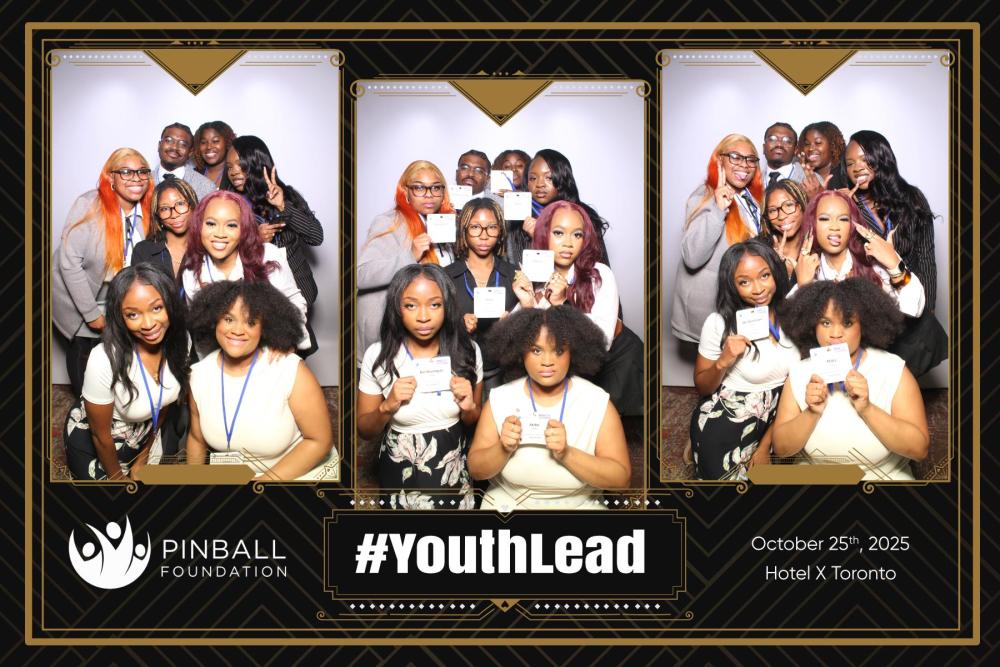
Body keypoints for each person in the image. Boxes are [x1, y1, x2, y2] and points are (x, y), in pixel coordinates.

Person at [468, 306, 630, 510]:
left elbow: (621, 479)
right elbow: (475, 470)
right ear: (520, 351)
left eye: (559, 350)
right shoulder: (500, 399)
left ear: (573, 352)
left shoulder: (597, 402)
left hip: (578, 506)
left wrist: (567, 454)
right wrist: (502, 448)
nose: (547, 362)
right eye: (536, 350)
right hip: (508, 505)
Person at [772, 279, 929, 479]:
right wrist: (811, 412)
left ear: (864, 324)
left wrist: (867, 408)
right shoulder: (799, 373)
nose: (835, 334)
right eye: (826, 323)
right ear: (813, 326)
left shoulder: (893, 369)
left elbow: (919, 449)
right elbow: (781, 449)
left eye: (847, 323)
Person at [356, 264, 483, 509]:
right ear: (397, 308)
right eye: (411, 305)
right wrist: (387, 406)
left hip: (452, 465)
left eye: (434, 305)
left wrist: (469, 408)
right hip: (399, 468)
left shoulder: (467, 351)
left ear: (447, 306)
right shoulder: (379, 355)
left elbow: (474, 422)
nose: (423, 316)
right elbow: (365, 430)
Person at [186, 281, 336, 480]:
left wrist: (261, 484)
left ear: (264, 327)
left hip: (293, 476)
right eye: (229, 319)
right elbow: (197, 439)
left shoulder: (289, 369)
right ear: (214, 321)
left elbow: (319, 441)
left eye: (250, 322)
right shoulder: (199, 375)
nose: (238, 330)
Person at [512, 200, 643, 416]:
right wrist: (526, 306)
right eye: (558, 233)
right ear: (544, 234)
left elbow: (602, 342)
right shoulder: (535, 276)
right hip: (569, 366)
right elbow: (512, 342)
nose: (568, 243)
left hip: (616, 362)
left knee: (611, 425)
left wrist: (562, 305)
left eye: (577, 235)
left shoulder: (599, 274)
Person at [832, 129, 946, 376]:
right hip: (871, 308)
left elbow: (926, 255)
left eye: (864, 159)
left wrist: (928, 304)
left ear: (881, 157)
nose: (857, 168)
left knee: (907, 374)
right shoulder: (846, 204)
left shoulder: (912, 198)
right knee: (876, 376)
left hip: (908, 299)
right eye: (850, 163)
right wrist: (839, 209)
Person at [63, 264, 189, 479]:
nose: (148, 324)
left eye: (157, 308)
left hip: (142, 433)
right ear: (120, 317)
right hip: (101, 442)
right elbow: (100, 436)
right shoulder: (103, 359)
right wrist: (118, 479)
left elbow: (162, 403)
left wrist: (143, 458)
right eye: (133, 314)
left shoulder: (182, 341)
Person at [689, 239, 798, 480]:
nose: (758, 289)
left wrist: (765, 446)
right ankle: (698, 446)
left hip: (780, 417)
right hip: (727, 422)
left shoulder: (794, 316)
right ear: (732, 286)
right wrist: (723, 361)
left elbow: (797, 386)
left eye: (764, 275)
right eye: (744, 282)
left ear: (776, 273)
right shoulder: (718, 323)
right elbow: (703, 387)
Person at [53, 147, 154, 397]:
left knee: (117, 357)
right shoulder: (89, 205)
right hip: (81, 292)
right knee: (85, 353)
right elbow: (69, 263)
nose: (136, 178)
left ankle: (111, 406)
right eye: (126, 172)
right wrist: (91, 315)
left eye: (142, 172)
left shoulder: (149, 208)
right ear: (111, 177)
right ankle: (84, 408)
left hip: (119, 295)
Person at [225, 135, 324, 355]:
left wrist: (283, 206)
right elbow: (219, 250)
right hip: (254, 297)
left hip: (296, 294)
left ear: (256, 162)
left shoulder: (285, 195)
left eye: (240, 164)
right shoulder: (227, 203)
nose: (234, 172)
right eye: (229, 167)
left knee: (294, 357)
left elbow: (316, 236)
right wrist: (253, 240)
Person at [179, 190, 310, 351]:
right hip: (224, 356)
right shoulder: (192, 271)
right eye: (211, 224)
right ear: (199, 226)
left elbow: (295, 303)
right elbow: (200, 328)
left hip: (270, 350)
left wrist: (284, 346)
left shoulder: (267, 256)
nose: (220, 234)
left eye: (231, 225)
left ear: (244, 229)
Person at [357, 160, 456, 357]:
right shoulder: (389, 222)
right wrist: (411, 255)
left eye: (436, 187)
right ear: (406, 192)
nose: (429, 194)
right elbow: (361, 275)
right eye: (419, 188)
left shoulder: (444, 224)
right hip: (392, 334)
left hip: (431, 330)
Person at [671, 133, 763, 343]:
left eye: (750, 159)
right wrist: (718, 209)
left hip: (739, 304)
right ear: (719, 160)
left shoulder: (750, 199)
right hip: (709, 312)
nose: (744, 165)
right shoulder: (704, 196)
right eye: (735, 157)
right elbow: (692, 257)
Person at [794, 190, 925, 319]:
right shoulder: (807, 271)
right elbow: (795, 327)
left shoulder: (873, 261)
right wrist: (804, 288)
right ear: (813, 224)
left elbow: (912, 313)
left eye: (843, 219)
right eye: (824, 219)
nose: (834, 227)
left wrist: (895, 266)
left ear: (851, 225)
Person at [444, 197, 519, 397]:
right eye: (475, 227)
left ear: (500, 232)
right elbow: (432, 326)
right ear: (464, 230)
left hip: (503, 370)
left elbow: (529, 329)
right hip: (459, 370)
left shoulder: (514, 275)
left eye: (492, 227)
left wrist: (514, 321)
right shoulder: (446, 276)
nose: (484, 236)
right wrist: (458, 325)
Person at [521, 149, 611, 267]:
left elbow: (594, 266)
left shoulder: (583, 215)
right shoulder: (523, 218)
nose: (539, 184)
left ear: (562, 178)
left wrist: (540, 238)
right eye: (533, 178)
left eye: (549, 178)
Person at [132, 177, 198, 281]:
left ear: (193, 205)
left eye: (180, 204)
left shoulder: (206, 249)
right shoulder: (143, 251)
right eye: (165, 209)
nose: (174, 214)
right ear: (157, 215)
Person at [758, 178, 809, 281]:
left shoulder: (817, 248)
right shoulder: (759, 251)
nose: (781, 216)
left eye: (789, 205)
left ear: (802, 205)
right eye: (772, 211)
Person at [152, 122, 217, 201]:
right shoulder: (143, 181)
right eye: (169, 140)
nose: (174, 147)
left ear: (190, 152)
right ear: (159, 145)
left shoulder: (207, 188)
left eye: (183, 144)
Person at [796, 121, 846, 198]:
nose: (811, 148)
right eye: (807, 144)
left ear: (832, 145)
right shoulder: (799, 175)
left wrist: (818, 196)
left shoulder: (845, 175)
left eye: (818, 143)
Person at [192, 120, 236, 188]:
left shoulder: (236, 173)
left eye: (215, 141)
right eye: (203, 142)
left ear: (227, 142)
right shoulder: (193, 175)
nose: (209, 147)